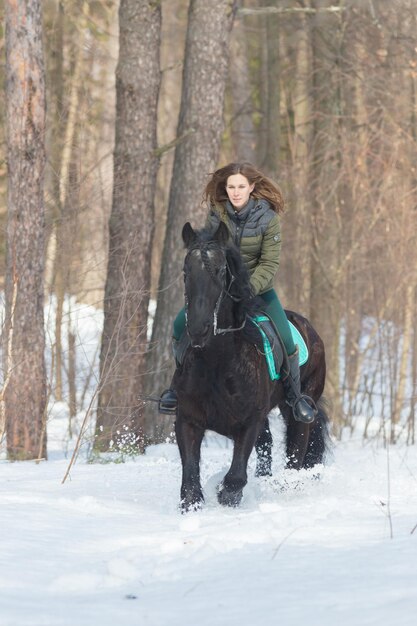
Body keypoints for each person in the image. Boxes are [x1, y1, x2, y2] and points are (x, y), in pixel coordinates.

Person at [159, 162, 317, 423]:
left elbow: (270, 263)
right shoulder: (217, 215)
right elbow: (210, 253)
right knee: (179, 326)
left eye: (241, 186)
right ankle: (177, 387)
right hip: (221, 293)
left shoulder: (269, 219)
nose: (235, 192)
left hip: (260, 290)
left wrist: (249, 288)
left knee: (287, 340)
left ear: (251, 187)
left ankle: (295, 395)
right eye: (231, 187)